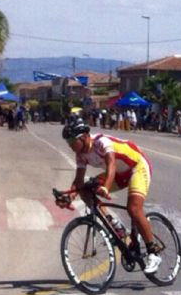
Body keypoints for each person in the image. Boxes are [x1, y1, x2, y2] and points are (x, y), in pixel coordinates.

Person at [56, 117, 162, 274]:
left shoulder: (102, 142)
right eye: (68, 143)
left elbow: (111, 164)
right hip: (120, 173)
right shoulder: (81, 154)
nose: (70, 146)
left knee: (133, 208)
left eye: (72, 141)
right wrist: (69, 197)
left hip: (137, 167)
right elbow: (78, 182)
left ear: (84, 137)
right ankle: (114, 224)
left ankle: (153, 253)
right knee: (86, 189)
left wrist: (105, 188)